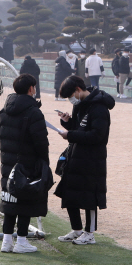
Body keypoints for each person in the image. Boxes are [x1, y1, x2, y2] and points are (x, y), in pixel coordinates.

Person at [55, 75, 113, 245]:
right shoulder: (80, 106)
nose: (70, 100)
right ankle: (77, 229)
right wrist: (67, 123)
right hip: (75, 155)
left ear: (78, 90)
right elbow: (78, 128)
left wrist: (70, 134)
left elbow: (97, 135)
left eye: (70, 96)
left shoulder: (99, 108)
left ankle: (89, 233)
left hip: (92, 158)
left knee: (90, 196)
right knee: (69, 191)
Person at [0, 74, 50, 254]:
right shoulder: (33, 112)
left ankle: (6, 241)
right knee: (25, 200)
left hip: (7, 162)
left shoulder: (4, 111)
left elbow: (0, 135)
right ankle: (21, 241)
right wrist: (44, 163)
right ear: (31, 89)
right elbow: (41, 142)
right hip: (27, 163)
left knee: (10, 200)